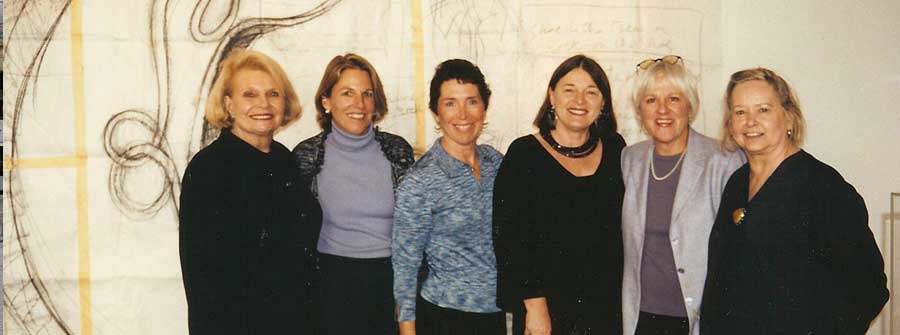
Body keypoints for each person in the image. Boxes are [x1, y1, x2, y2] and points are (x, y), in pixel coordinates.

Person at [700, 68, 889, 334]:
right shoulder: (737, 183)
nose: (750, 121)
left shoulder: (822, 187)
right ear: (731, 124)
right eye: (740, 112)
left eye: (763, 110)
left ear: (789, 117)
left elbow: (868, 286)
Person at [179, 49, 321, 334]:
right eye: (250, 94)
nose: (263, 104)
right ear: (228, 104)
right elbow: (202, 281)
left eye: (273, 94)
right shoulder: (209, 169)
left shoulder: (285, 160)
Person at [493, 54, 626, 335]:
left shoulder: (616, 149)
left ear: (603, 103)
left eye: (591, 92)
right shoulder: (524, 154)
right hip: (545, 311)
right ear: (552, 96)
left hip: (607, 308)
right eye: (569, 90)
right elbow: (510, 241)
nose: (580, 100)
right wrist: (535, 309)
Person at [620, 55, 745, 335]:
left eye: (674, 98)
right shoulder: (630, 159)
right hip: (642, 316)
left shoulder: (723, 160)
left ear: (690, 106)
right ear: (640, 110)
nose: (662, 110)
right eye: (651, 100)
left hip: (698, 318)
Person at [292, 53, 414, 334]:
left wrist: (407, 293)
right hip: (331, 289)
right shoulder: (305, 157)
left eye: (367, 94)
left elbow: (415, 229)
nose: (359, 104)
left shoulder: (398, 152)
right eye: (347, 93)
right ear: (326, 101)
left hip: (389, 284)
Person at [392, 59, 505, 335]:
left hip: (497, 316)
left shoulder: (497, 163)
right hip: (445, 317)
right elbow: (405, 266)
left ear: (485, 107)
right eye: (450, 103)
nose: (463, 115)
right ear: (436, 112)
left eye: (472, 102)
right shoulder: (421, 180)